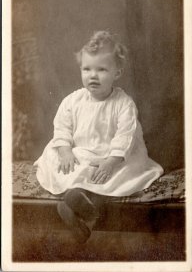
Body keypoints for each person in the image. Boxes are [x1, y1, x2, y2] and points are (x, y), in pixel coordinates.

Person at [34, 30, 163, 243]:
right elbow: (62, 128)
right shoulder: (73, 100)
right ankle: (81, 205)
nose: (93, 75)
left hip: (115, 156)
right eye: (87, 69)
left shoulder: (123, 104)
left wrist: (111, 161)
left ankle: (80, 207)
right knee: (64, 162)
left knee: (115, 177)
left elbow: (125, 136)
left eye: (101, 69)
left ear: (117, 73)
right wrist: (65, 151)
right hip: (82, 152)